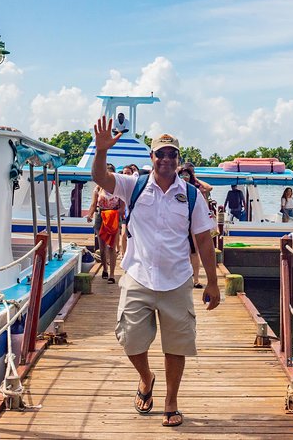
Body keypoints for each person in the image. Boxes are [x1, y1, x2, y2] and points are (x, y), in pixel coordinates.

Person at [91, 116, 220, 428]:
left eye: (171, 154)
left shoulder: (189, 194)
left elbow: (203, 238)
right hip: (138, 276)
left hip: (177, 280)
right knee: (129, 338)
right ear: (151, 158)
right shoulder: (132, 185)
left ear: (178, 159)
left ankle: (171, 401)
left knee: (177, 346)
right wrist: (101, 151)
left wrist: (213, 283)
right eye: (160, 153)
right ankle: (146, 379)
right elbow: (99, 177)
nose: (165, 159)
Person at [86, 164, 125, 283]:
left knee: (112, 246)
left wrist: (113, 214)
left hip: (113, 217)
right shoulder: (98, 189)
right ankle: (104, 268)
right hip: (100, 216)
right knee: (102, 248)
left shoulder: (119, 190)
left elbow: (122, 208)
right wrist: (90, 214)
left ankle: (112, 274)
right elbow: (93, 204)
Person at [178, 165, 212, 288]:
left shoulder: (194, 190)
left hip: (193, 225)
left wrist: (195, 178)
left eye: (187, 174)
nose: (184, 177)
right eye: (182, 174)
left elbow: (209, 188)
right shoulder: (174, 188)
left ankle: (196, 279)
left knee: (194, 251)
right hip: (179, 226)